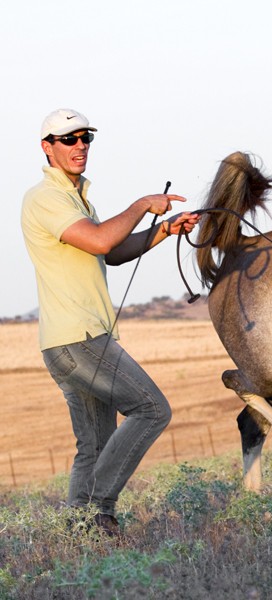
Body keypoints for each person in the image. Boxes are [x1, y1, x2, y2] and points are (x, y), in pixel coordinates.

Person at [20, 108, 200, 536]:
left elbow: (111, 252)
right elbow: (103, 239)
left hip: (74, 341)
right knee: (152, 408)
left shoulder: (78, 199)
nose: (80, 145)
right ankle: (100, 510)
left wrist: (165, 230)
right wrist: (141, 204)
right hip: (79, 340)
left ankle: (80, 533)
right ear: (48, 147)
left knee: (95, 445)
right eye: (69, 139)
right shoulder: (45, 198)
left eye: (86, 138)